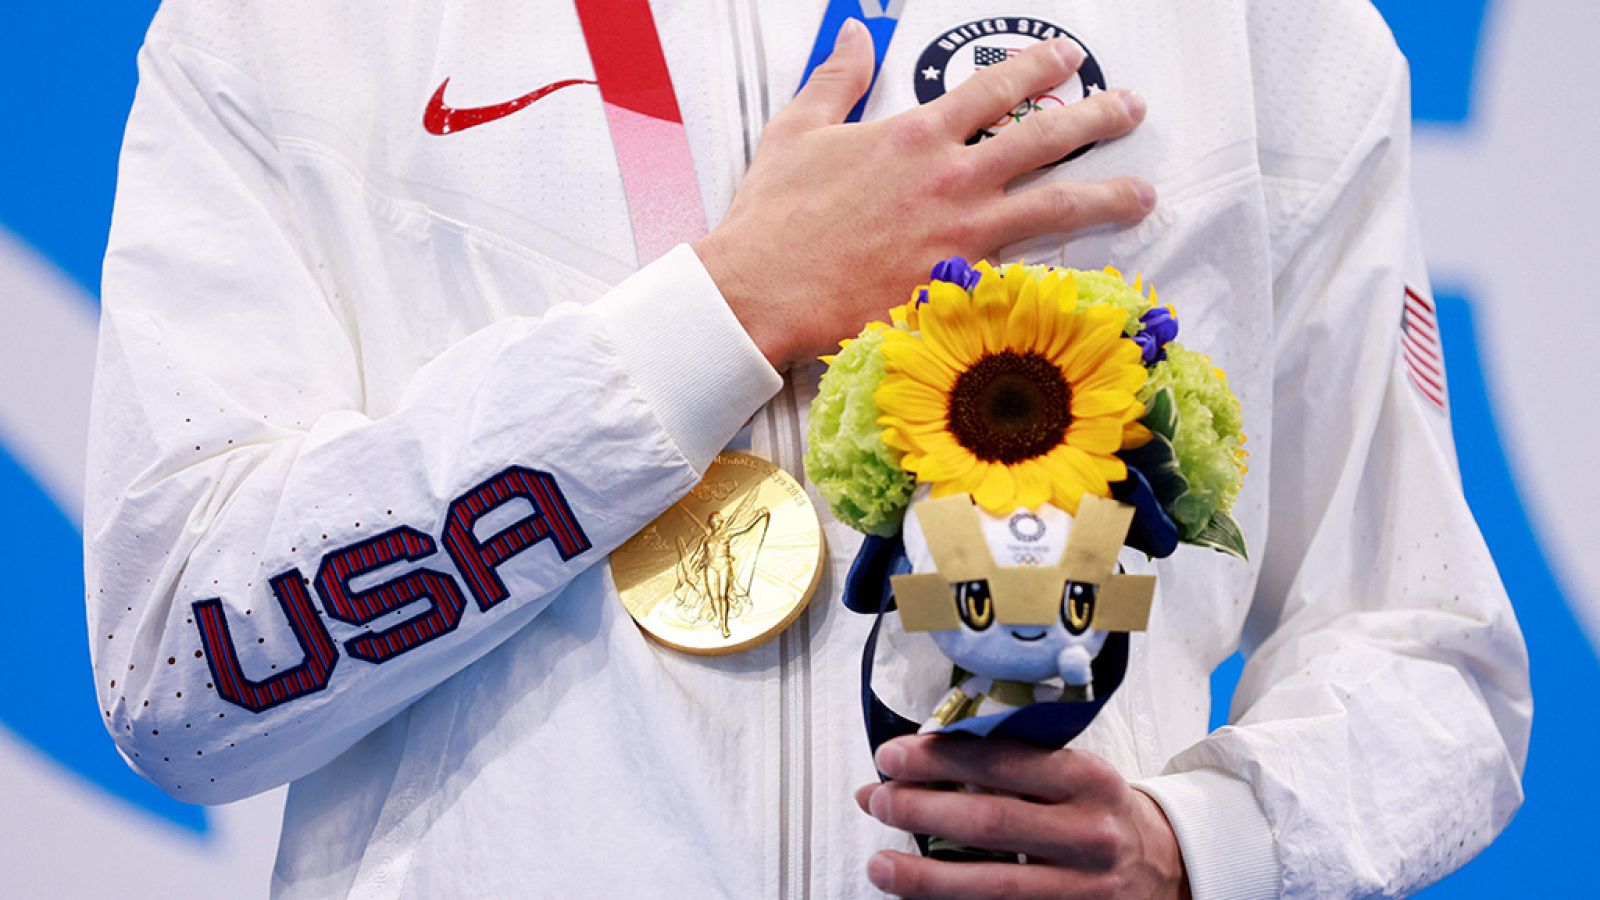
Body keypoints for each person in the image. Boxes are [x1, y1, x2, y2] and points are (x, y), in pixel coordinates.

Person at [88, 2, 1529, 897]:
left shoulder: (1266, 29)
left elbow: (1428, 652)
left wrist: (1201, 848)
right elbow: (181, 665)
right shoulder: (286, 23)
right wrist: (714, 317)